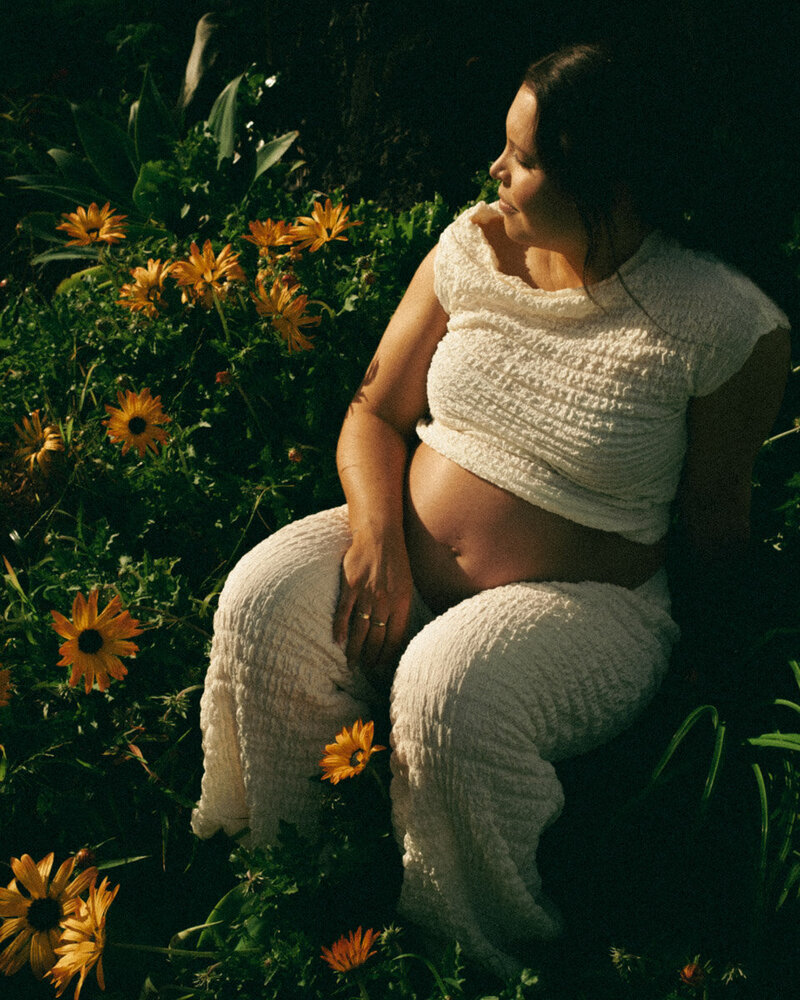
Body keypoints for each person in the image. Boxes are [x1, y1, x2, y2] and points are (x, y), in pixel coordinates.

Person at [191, 43, 791, 976]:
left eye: (524, 156)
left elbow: (715, 525)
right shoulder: (472, 247)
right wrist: (378, 543)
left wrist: (720, 676)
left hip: (592, 609)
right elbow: (374, 413)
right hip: (401, 554)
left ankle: (470, 946)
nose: (495, 170)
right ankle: (291, 877)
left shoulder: (720, 325)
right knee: (262, 601)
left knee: (444, 695)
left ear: (612, 180)